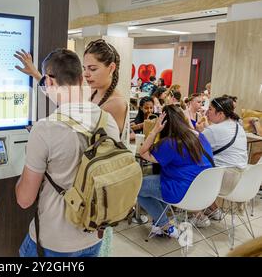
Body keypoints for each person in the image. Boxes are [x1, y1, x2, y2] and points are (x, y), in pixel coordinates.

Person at [15, 49, 120, 257]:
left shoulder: (44, 129)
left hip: (53, 242)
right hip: (92, 236)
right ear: (81, 79)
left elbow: (24, 199)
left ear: (50, 82)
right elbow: (70, 107)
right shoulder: (107, 121)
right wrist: (40, 76)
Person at [15, 39, 129, 144]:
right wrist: (36, 74)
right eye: (85, 69)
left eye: (93, 69)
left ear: (111, 68)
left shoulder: (116, 104)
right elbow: (60, 95)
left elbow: (85, 141)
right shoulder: (92, 93)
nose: (86, 74)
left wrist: (46, 134)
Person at [138, 105, 214, 238]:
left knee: (138, 187)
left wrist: (155, 130)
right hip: (205, 191)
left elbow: (143, 152)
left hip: (182, 192)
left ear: (164, 123)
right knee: (156, 183)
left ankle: (166, 226)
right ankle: (159, 223)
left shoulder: (171, 143)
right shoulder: (200, 136)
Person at [199, 96, 248, 223]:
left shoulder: (213, 130)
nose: (206, 112)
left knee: (188, 172)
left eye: (210, 109)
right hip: (242, 179)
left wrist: (200, 132)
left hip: (225, 180)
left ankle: (196, 214)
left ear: (220, 114)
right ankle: (214, 210)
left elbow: (193, 149)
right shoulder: (238, 126)